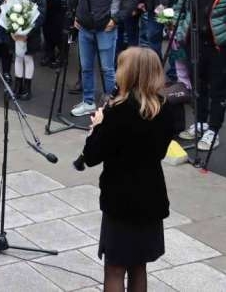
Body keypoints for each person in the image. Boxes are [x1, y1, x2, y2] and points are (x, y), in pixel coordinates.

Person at [80, 47, 174, 292]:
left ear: (129, 74)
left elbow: (91, 157)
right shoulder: (166, 109)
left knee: (115, 268)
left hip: (120, 200)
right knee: (138, 265)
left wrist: (97, 127)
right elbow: (159, 152)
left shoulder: (117, 112)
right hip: (150, 196)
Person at [71, 0, 140, 117]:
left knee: (107, 69)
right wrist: (76, 15)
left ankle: (111, 105)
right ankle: (88, 102)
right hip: (84, 27)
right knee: (86, 67)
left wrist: (116, 19)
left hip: (105, 28)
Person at [172, 0, 226, 150]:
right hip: (193, 42)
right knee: (198, 86)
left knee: (218, 90)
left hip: (219, 46)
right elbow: (178, 7)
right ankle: (201, 123)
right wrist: (178, 30)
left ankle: (213, 130)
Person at [8, 0, 44, 100]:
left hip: (31, 35)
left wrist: (28, 33)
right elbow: (8, 11)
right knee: (18, 58)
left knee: (28, 59)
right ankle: (17, 86)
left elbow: (41, 15)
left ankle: (27, 88)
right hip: (15, 33)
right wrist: (12, 31)